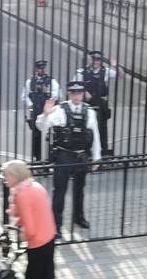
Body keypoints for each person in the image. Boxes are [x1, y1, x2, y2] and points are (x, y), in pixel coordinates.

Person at [36, 78, 101, 237]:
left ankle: (79, 218)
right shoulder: (59, 110)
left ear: (83, 94)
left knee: (80, 189)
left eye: (79, 93)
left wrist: (96, 157)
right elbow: (41, 126)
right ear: (69, 94)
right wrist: (45, 114)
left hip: (81, 155)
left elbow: (95, 135)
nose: (77, 96)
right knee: (60, 191)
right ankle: (56, 225)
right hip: (64, 155)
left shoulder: (90, 112)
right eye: (74, 93)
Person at [2, 159, 55, 279]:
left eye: (7, 175)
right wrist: (16, 224)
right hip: (49, 237)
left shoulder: (22, 196)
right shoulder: (35, 186)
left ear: (15, 176)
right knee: (48, 273)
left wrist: (22, 235)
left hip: (37, 243)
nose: (5, 179)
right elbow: (33, 213)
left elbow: (30, 230)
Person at [78, 50, 121, 155]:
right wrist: (84, 92)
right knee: (87, 127)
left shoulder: (105, 71)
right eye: (94, 59)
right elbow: (75, 85)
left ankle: (103, 151)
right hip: (87, 103)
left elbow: (121, 76)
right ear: (90, 60)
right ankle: (86, 151)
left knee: (102, 127)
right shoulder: (82, 71)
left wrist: (115, 66)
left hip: (101, 102)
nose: (96, 61)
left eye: (98, 59)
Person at [22, 60, 61, 161]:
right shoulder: (30, 81)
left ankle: (51, 157)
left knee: (51, 133)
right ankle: (37, 157)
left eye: (43, 68)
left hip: (48, 110)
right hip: (36, 109)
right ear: (36, 69)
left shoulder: (51, 81)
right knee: (36, 135)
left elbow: (57, 94)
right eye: (39, 68)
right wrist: (31, 107)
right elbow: (25, 96)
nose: (41, 70)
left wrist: (47, 92)